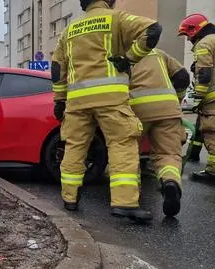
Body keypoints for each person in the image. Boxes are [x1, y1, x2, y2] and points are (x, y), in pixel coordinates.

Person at [51, 0, 162, 221]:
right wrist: (129, 59)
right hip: (110, 98)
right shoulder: (116, 18)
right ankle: (125, 204)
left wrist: (59, 100)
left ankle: (70, 198)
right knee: (122, 145)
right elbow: (153, 29)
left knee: (74, 147)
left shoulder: (69, 30)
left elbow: (57, 66)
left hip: (77, 102)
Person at [129, 48, 190, 217]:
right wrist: (176, 99)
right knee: (168, 154)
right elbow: (183, 77)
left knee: (129, 153)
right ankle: (170, 182)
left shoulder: (119, 52)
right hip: (168, 108)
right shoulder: (156, 52)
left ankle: (130, 200)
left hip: (136, 108)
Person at [178, 14, 215, 181]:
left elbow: (205, 74)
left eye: (187, 35)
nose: (188, 40)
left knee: (211, 131)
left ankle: (213, 172)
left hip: (213, 99)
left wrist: (197, 98)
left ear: (195, 30)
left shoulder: (204, 44)